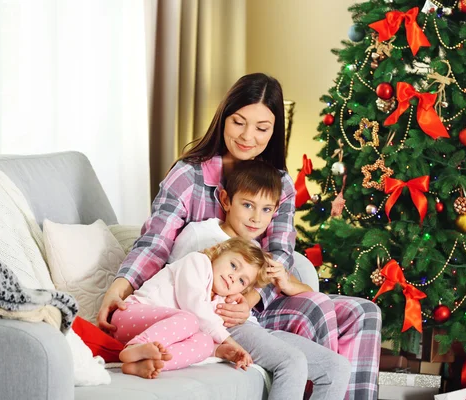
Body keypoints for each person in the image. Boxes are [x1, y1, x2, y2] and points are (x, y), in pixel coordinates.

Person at [97, 73, 381, 399]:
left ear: (274, 132)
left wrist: (249, 300)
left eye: (262, 128)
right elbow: (156, 243)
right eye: (238, 122)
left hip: (257, 297)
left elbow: (280, 255)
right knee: (312, 316)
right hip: (211, 305)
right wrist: (120, 287)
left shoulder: (279, 183)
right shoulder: (190, 176)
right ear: (223, 119)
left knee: (364, 313)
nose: (248, 136)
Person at [165, 159, 350, 399]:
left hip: (254, 327)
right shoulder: (200, 234)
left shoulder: (255, 252)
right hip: (225, 327)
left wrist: (284, 281)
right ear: (226, 201)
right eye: (248, 205)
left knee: (336, 368)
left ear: (275, 212)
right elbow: (175, 283)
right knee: (291, 362)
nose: (256, 218)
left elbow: (306, 289)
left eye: (266, 209)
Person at [111, 237, 269, 379]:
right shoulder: (197, 262)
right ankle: (134, 348)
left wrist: (220, 350)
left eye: (242, 281)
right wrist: (230, 341)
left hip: (158, 337)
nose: (233, 277)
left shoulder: (218, 302)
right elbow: (195, 307)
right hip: (129, 316)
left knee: (205, 342)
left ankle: (147, 363)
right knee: (189, 319)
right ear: (217, 252)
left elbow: (203, 329)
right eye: (233, 265)